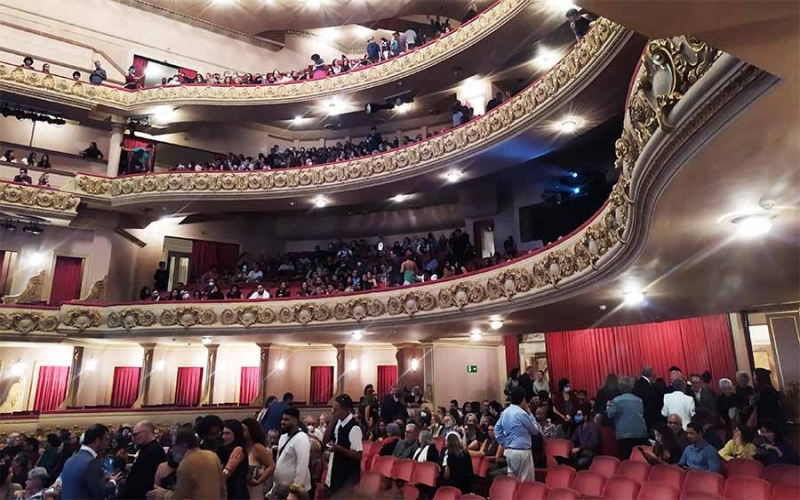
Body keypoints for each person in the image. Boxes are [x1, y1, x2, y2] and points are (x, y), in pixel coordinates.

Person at [147, 428, 226, 500]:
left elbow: (179, 497)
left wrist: (163, 494)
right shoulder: (212, 456)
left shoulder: (186, 464)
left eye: (173, 445)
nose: (171, 450)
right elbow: (223, 490)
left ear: (183, 446)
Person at [494, 386, 540, 481]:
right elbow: (535, 430)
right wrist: (529, 413)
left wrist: (505, 443)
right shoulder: (521, 413)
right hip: (522, 452)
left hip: (510, 451)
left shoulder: (505, 412)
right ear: (523, 399)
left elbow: (497, 430)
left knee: (513, 482)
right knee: (526, 484)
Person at [60, 424, 117, 500]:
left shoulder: (69, 460)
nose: (107, 444)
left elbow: (81, 486)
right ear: (97, 441)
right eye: (106, 439)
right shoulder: (92, 462)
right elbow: (99, 492)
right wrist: (113, 482)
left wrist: (102, 480)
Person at [324, 394, 362, 494]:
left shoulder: (354, 428)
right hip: (335, 472)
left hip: (347, 477)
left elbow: (358, 455)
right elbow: (325, 441)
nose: (332, 411)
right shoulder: (338, 423)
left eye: (336, 409)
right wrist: (332, 421)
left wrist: (339, 449)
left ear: (344, 410)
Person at [121, 421, 166, 499]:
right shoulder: (148, 449)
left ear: (145, 433)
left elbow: (142, 481)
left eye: (135, 434)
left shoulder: (152, 451)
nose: (133, 439)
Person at [607, 376, 649, 460]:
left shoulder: (616, 400)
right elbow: (642, 413)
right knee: (640, 459)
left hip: (624, 434)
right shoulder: (639, 400)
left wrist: (608, 406)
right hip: (640, 432)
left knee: (626, 460)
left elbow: (610, 414)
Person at [271, 408, 311, 497]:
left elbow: (302, 465)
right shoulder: (282, 437)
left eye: (286, 420)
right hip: (281, 490)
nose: (282, 422)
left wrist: (296, 489)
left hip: (295, 492)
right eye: (282, 419)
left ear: (295, 421)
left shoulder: (302, 438)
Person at [241, 418, 275, 500]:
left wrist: (259, 481)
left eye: (244, 430)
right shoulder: (242, 447)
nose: (241, 433)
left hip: (254, 491)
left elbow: (271, 465)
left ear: (251, 431)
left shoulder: (257, 447)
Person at [220, 420, 249, 500]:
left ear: (236, 434)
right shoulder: (228, 450)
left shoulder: (238, 449)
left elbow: (225, 475)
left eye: (227, 433)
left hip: (236, 494)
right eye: (223, 433)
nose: (223, 437)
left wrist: (227, 469)